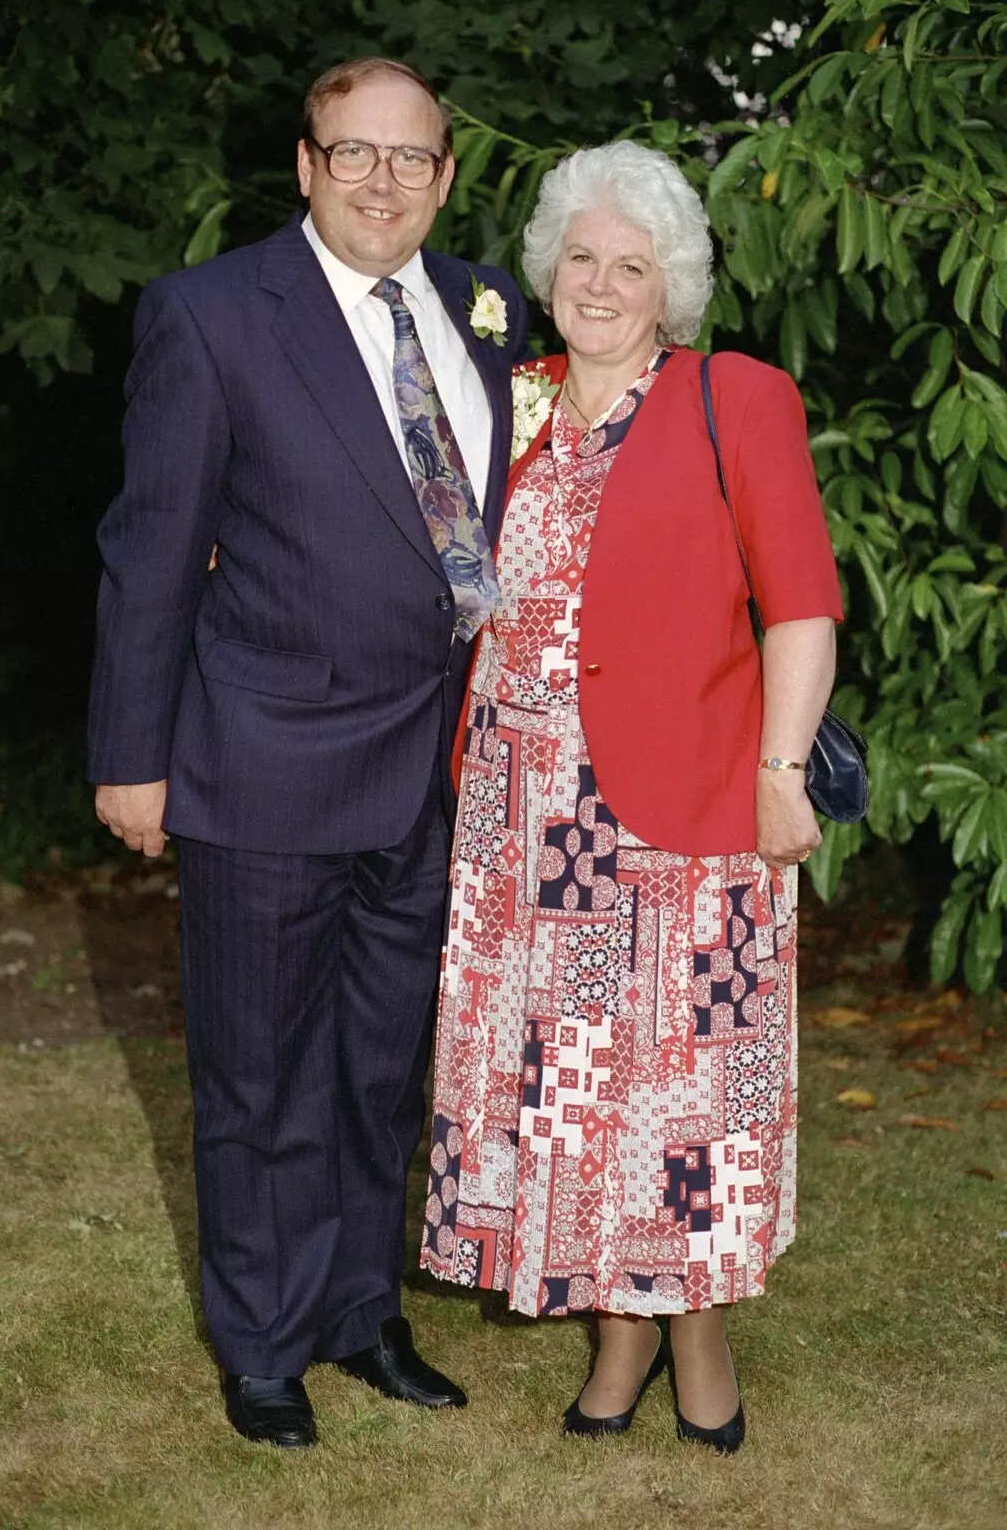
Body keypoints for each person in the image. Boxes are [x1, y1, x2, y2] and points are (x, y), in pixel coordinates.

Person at [87, 57, 528, 1449]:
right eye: (356, 154)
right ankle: (262, 1335)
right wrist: (131, 756)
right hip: (262, 763)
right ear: (304, 165)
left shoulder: (487, 308)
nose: (385, 181)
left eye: (412, 158)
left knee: (380, 1068)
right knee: (258, 1070)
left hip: (437, 769)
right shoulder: (212, 315)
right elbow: (150, 549)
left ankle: (357, 1312)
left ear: (448, 174)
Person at [421, 141, 842, 1452]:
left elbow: (804, 608)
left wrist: (782, 772)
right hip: (518, 817)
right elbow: (420, 566)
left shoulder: (735, 397)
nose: (601, 283)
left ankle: (697, 1324)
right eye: (582, 258)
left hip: (681, 809)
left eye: (633, 265)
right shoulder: (503, 404)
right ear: (549, 272)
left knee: (686, 1091)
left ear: (672, 287)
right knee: (565, 1085)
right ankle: (617, 1331)